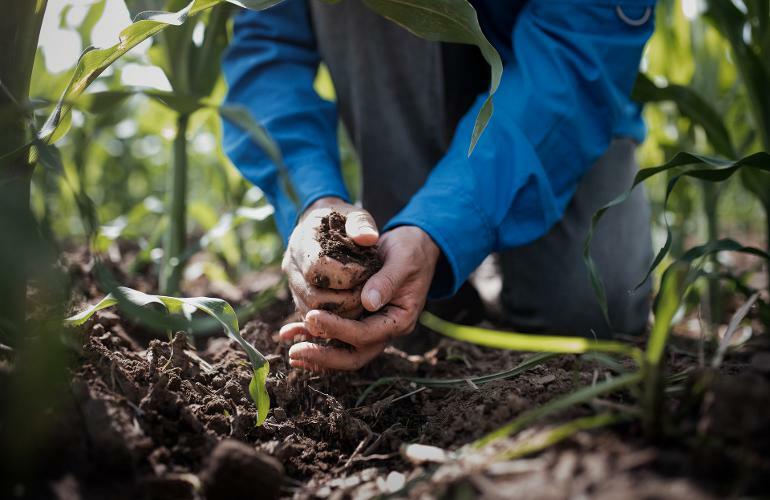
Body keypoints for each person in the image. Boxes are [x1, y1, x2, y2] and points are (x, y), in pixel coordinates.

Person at [222, 0, 657, 371]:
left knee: (594, 310)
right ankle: (403, 263)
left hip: (563, 105)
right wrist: (314, 200)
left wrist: (440, 227)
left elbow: (577, 54)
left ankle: (431, 256)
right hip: (404, 83)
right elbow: (267, 43)